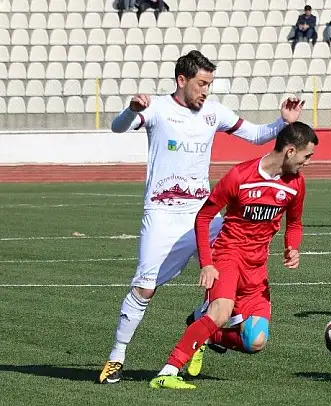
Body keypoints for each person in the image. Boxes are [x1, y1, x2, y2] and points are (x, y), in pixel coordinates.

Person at [98, 50, 305, 385]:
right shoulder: (157, 108)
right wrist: (131, 110)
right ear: (182, 80)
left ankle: (205, 324)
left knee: (232, 260)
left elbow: (255, 135)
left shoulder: (213, 112)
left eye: (209, 84)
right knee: (145, 288)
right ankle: (116, 356)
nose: (206, 90)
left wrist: (283, 122)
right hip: (163, 215)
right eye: (202, 83)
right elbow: (117, 127)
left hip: (204, 215)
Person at [149, 122, 317, 390]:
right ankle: (168, 372)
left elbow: (295, 223)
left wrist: (292, 247)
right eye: (306, 156)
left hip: (256, 267)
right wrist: (207, 264)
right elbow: (203, 218)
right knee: (220, 313)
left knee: (255, 341)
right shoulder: (240, 175)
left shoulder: (296, 184)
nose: (308, 162)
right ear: (290, 151)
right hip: (228, 255)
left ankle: (205, 335)